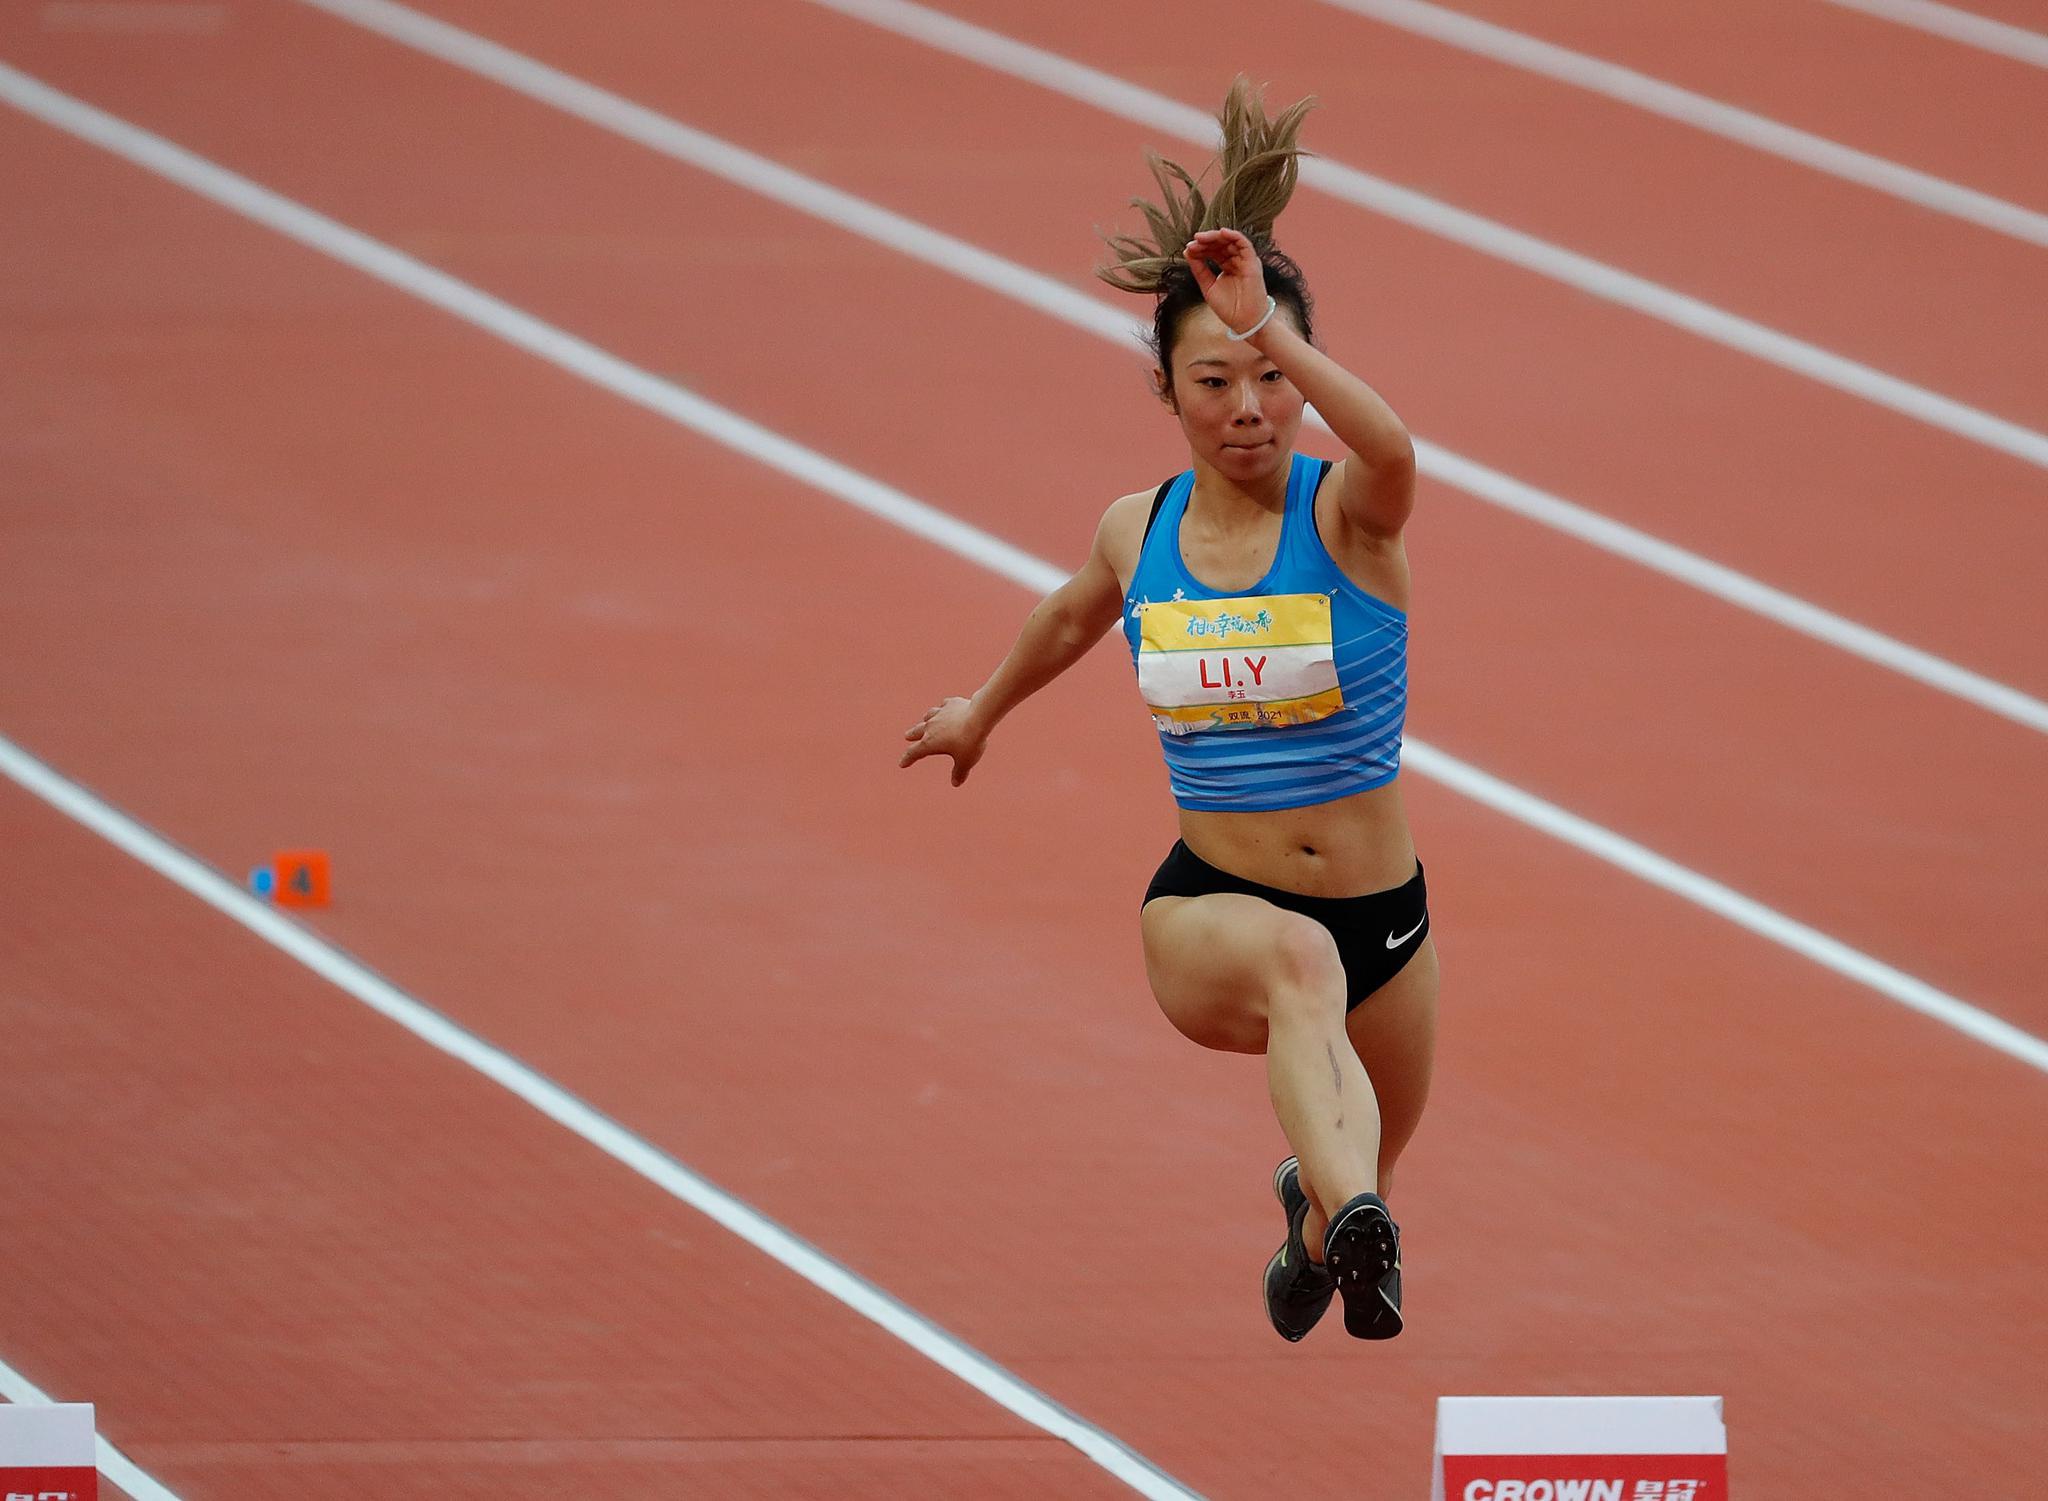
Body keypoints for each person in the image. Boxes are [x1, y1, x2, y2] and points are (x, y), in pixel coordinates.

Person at [899, 78, 1436, 1343]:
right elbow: (1069, 616)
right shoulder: (1135, 531)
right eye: (1213, 379)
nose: (1246, 407)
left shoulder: (1347, 517)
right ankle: (1356, 1218)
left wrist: (1267, 326)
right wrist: (981, 708)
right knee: (1298, 971)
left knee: (1359, 1161)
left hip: (1385, 916)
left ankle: (1321, 1227)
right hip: (1209, 908)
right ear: (1166, 388)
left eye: (1269, 377)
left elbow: (1396, 450)